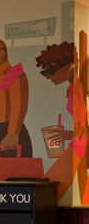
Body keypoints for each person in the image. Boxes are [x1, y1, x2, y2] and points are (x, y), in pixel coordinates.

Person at [36, 41, 88, 203]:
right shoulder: (72, 88)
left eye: (51, 71)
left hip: (81, 145)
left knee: (46, 194)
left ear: (71, 64)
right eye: (45, 73)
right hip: (79, 144)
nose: (49, 77)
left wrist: (70, 134)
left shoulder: (82, 86)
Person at [0, 38, 32, 157]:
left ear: (1, 54)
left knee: (13, 172)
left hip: (8, 131)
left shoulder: (13, 74)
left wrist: (12, 133)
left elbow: (18, 106)